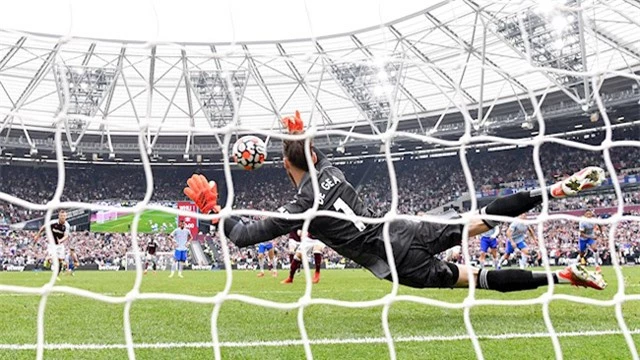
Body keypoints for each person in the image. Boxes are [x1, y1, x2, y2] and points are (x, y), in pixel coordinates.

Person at [183, 112, 607, 292]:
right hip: (403, 226)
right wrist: (299, 136)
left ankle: (567, 275)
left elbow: (243, 236)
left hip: (396, 262)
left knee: (476, 279)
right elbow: (311, 156)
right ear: (313, 153)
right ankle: (549, 191)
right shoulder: (331, 170)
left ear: (282, 164)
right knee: (479, 219)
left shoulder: (298, 209)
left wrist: (216, 213)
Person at [34, 210, 70, 281]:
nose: (63, 217)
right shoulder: (53, 222)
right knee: (55, 258)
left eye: (64, 216)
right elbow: (43, 227)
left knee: (61, 261)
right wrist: (37, 236)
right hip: (51, 244)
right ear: (59, 216)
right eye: (62, 216)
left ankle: (56, 275)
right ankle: (48, 259)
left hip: (60, 245)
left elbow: (66, 236)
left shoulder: (66, 225)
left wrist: (61, 240)